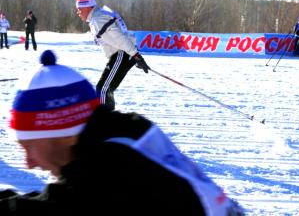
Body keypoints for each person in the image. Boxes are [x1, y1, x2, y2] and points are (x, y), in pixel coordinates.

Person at [0, 50, 244, 215]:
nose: (29, 163)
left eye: (30, 146)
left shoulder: (110, 163)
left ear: (66, 134)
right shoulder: (122, 131)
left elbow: (60, 205)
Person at [75, 0, 150, 110]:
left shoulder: (98, 19)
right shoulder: (98, 17)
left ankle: (106, 123)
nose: (78, 12)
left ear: (87, 7)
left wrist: (136, 56)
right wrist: (135, 55)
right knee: (105, 89)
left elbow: (120, 38)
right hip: (123, 53)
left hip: (121, 53)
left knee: (103, 90)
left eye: (79, 9)